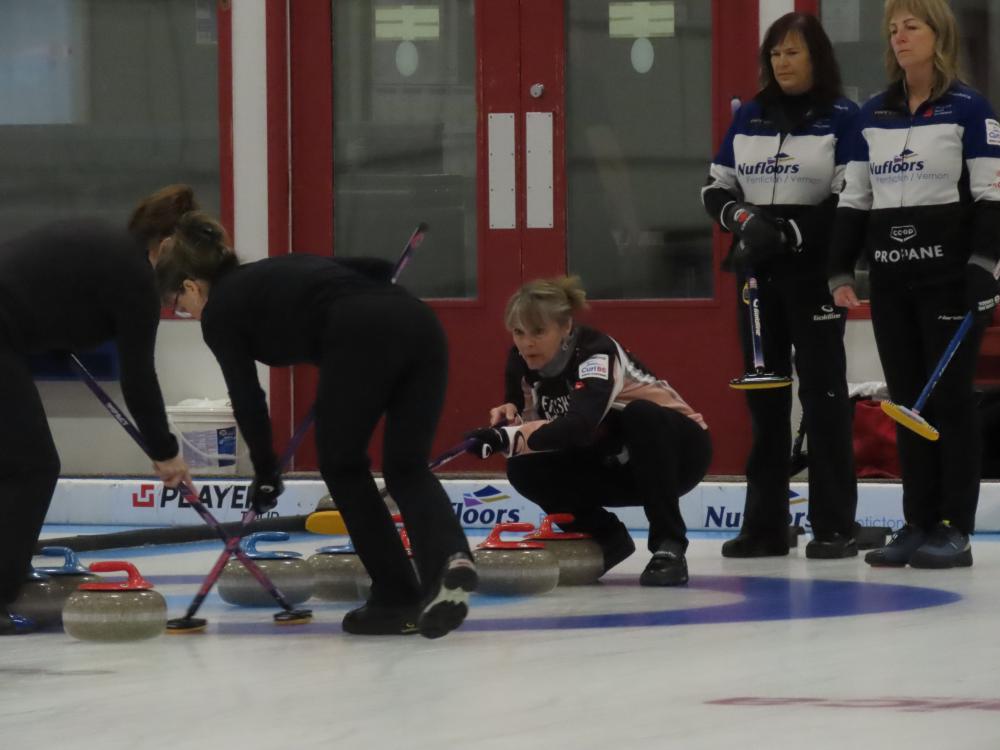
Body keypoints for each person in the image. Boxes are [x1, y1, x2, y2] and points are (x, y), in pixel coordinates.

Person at [156, 211, 475, 638]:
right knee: (407, 468)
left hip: (358, 333)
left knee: (342, 466)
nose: (189, 314)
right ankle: (451, 558)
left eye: (181, 307)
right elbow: (374, 267)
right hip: (419, 324)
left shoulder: (220, 312)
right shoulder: (276, 269)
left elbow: (248, 398)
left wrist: (266, 471)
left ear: (192, 286)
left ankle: (396, 597)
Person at [829, 0, 1000, 568]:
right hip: (890, 280)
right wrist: (839, 269)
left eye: (912, 27)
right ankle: (917, 521)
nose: (900, 37)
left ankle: (954, 527)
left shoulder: (970, 109)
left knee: (948, 402)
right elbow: (855, 198)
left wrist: (984, 265)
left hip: (950, 281)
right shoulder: (872, 114)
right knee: (906, 402)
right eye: (893, 29)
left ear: (938, 34)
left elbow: (992, 195)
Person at [0, 184, 198, 635]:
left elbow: (45, 300)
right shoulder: (134, 277)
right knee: (32, 467)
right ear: (169, 244)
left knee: (12, 463)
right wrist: (165, 452)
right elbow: (139, 379)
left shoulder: (106, 245)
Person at [701, 12, 860, 559]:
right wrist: (741, 219)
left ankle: (834, 524)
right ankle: (764, 526)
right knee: (765, 398)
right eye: (775, 53)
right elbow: (715, 188)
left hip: (813, 273)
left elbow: (850, 197)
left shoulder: (843, 116)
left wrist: (792, 232)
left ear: (817, 57)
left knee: (823, 396)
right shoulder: (750, 115)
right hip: (755, 275)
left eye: (793, 52)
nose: (782, 62)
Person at [465, 276, 711, 586]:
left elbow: (580, 425)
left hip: (679, 455)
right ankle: (606, 538)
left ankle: (669, 545)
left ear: (566, 327)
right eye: (518, 332)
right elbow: (528, 421)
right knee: (523, 466)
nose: (527, 343)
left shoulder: (596, 353)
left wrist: (508, 439)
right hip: (612, 458)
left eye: (538, 332)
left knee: (642, 414)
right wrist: (507, 423)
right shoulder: (521, 360)